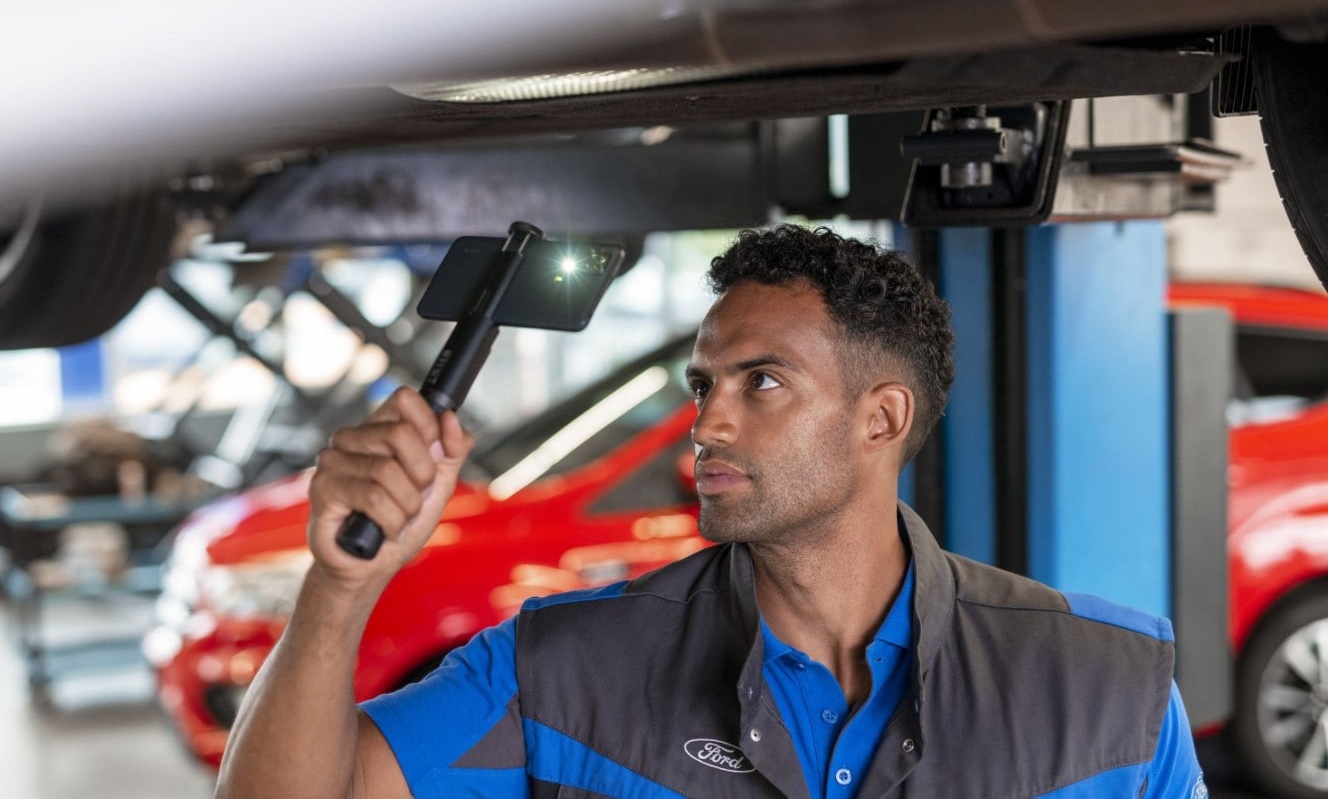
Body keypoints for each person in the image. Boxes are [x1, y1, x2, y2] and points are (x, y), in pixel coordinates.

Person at [217, 224, 1205, 798]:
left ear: (882, 418)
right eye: (703, 384)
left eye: (762, 382)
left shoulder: (1108, 690)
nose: (708, 421)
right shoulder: (559, 672)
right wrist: (342, 587)